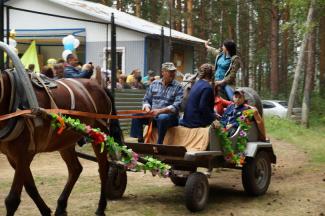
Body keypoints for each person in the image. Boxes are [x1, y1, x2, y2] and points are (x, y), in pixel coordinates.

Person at [130, 62, 183, 144]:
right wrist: (147, 108)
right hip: (153, 116)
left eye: (173, 72)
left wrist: (159, 111)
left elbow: (176, 106)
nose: (172, 74)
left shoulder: (178, 86)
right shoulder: (154, 84)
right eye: (170, 72)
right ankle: (140, 141)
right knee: (136, 116)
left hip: (170, 118)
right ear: (163, 72)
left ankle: (159, 143)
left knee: (162, 117)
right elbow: (146, 99)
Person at [180, 63, 216, 128]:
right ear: (211, 74)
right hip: (195, 122)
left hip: (187, 119)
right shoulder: (207, 88)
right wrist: (213, 116)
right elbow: (203, 107)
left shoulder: (196, 84)